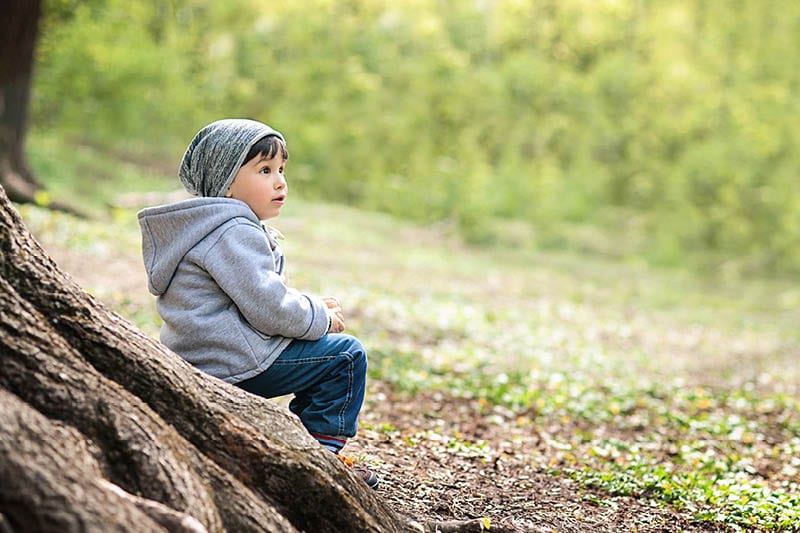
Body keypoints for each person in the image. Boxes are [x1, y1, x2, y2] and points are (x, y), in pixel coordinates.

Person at [137, 118, 378, 488]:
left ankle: (306, 446)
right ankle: (320, 460)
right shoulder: (232, 231)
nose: (280, 181)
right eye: (264, 170)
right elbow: (269, 308)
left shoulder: (207, 227)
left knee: (322, 352)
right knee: (344, 356)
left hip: (206, 355)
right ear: (226, 182)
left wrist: (309, 305)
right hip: (230, 363)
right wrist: (320, 317)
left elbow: (255, 294)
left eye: (281, 169)